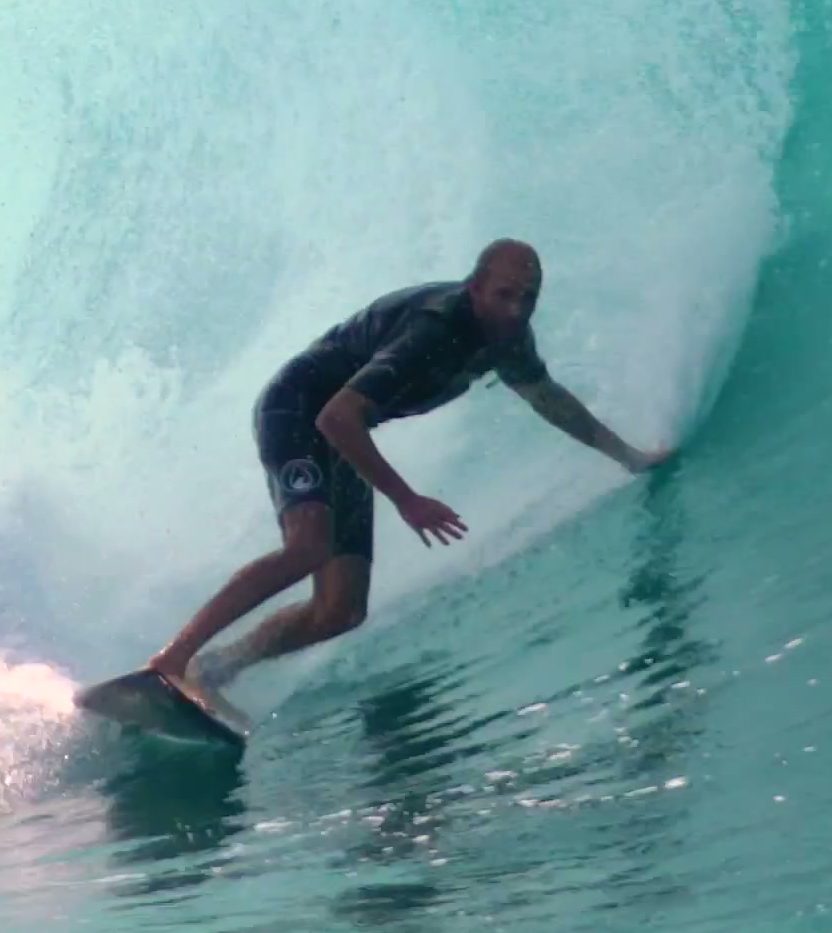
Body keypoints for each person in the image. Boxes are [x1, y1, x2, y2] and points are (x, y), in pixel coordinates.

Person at [147, 239, 670, 709]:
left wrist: (627, 455)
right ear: (475, 288)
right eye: (504, 295)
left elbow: (550, 401)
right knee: (306, 548)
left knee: (340, 611)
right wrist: (407, 500)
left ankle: (217, 669)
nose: (515, 311)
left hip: (339, 436)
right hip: (299, 410)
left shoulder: (509, 339)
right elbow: (336, 416)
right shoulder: (437, 328)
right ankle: (171, 661)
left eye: (527, 299)